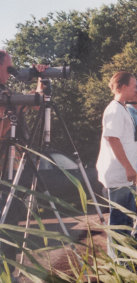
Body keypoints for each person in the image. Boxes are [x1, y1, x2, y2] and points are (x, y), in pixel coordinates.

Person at [0, 50, 47, 276]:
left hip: (14, 164)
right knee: (5, 218)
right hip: (2, 166)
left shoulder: (7, 92)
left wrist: (40, 80)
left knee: (11, 218)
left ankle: (9, 270)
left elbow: (35, 104)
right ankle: (6, 272)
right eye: (9, 67)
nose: (11, 72)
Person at [96, 71, 137, 258]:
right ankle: (118, 264)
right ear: (123, 86)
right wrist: (129, 168)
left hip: (125, 175)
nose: (136, 89)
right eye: (134, 85)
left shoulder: (123, 108)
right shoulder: (114, 109)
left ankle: (122, 261)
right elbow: (113, 139)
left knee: (126, 222)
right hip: (117, 175)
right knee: (119, 223)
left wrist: (133, 171)